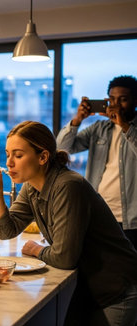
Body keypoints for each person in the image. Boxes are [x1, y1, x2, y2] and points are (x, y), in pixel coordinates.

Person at [0, 121, 137, 326]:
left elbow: (65, 258)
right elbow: (6, 231)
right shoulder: (31, 187)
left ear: (43, 157)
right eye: (7, 154)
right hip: (88, 289)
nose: (9, 163)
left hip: (116, 289)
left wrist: (37, 250)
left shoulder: (68, 185)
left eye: (18, 155)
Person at [56, 75, 137, 249]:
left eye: (122, 100)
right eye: (112, 99)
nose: (116, 104)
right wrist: (78, 119)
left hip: (132, 220)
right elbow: (62, 148)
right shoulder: (98, 129)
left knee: (130, 271)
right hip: (98, 214)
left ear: (134, 101)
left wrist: (124, 125)